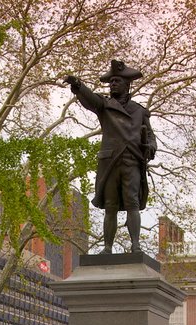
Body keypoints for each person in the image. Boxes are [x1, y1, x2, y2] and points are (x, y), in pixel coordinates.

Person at [64, 59, 156, 255]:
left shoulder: (140, 111)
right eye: (111, 81)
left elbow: (150, 136)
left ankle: (135, 246)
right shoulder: (105, 105)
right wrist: (78, 85)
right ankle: (107, 248)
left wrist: (150, 147)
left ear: (127, 84)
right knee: (110, 206)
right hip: (110, 162)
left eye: (117, 81)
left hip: (131, 160)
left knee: (132, 202)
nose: (113, 84)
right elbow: (90, 99)